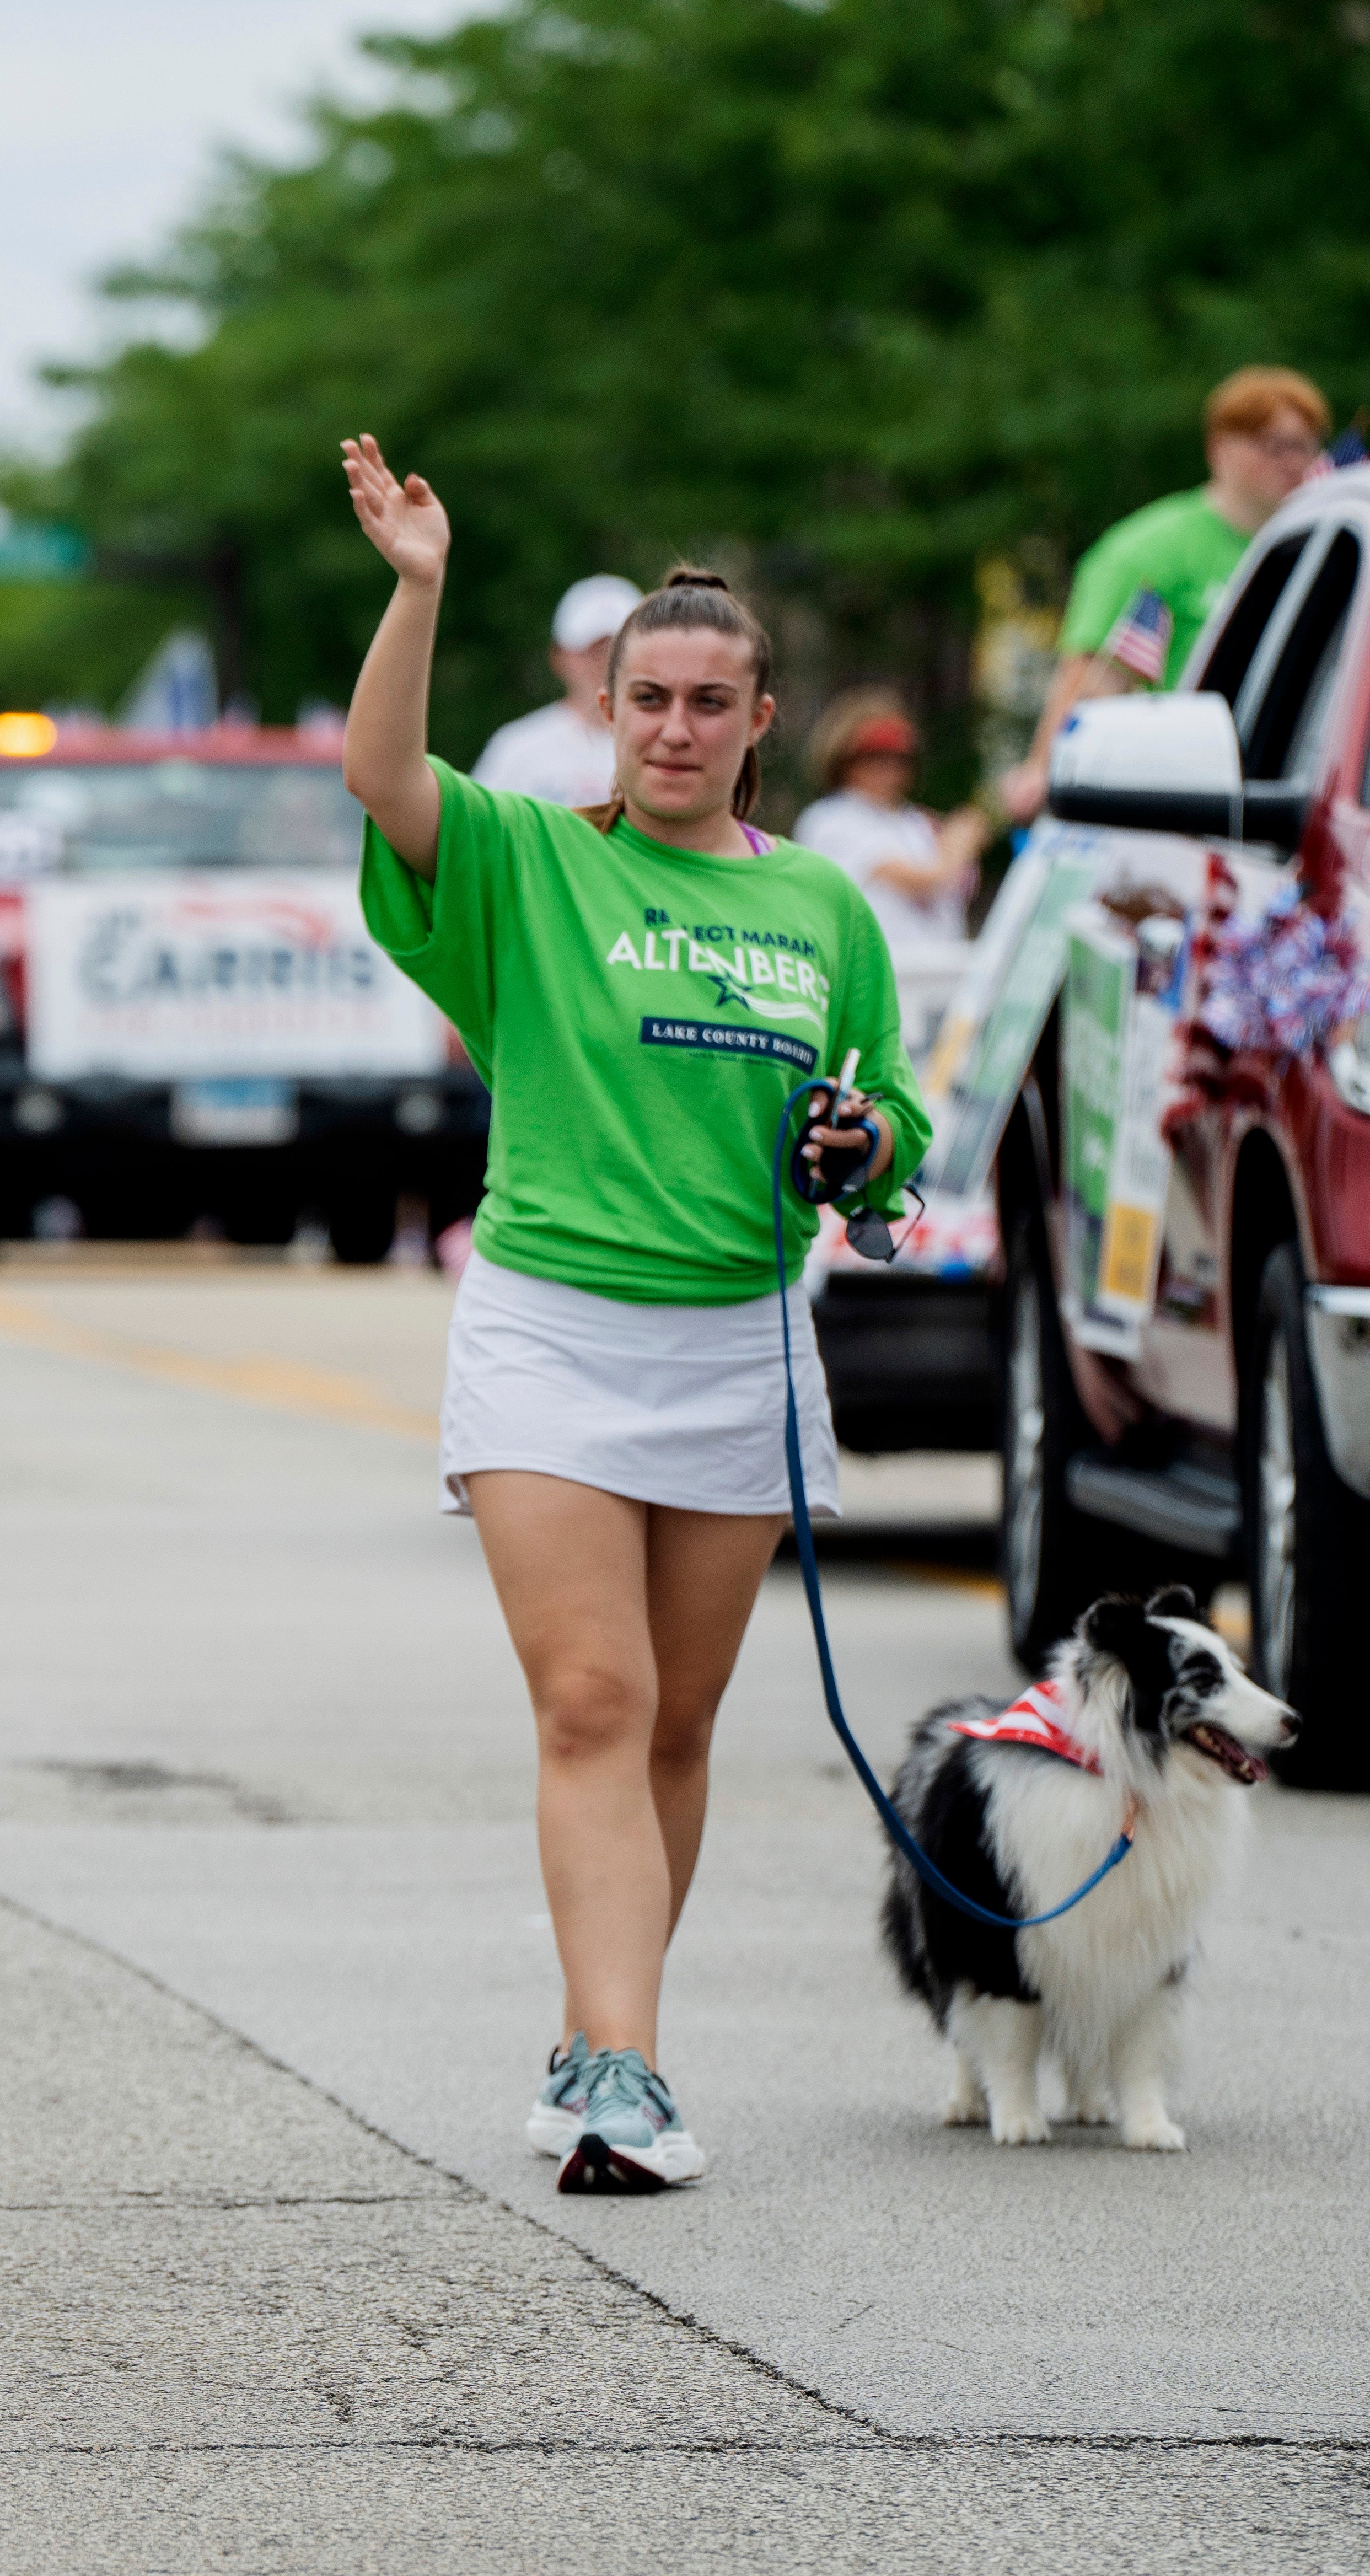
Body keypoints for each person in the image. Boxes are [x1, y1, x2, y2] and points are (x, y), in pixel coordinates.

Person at [336, 436, 927, 2195]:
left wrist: (862, 1146)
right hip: (548, 1333)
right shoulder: (526, 861)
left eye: (704, 702)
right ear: (602, 709)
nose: (669, 727)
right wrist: (418, 587)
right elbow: (381, 774)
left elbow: (887, 1120)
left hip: (734, 1347)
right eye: (641, 698)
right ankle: (621, 2064)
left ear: (759, 719)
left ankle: (602, 2023)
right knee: (591, 1699)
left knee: (674, 1725)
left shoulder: (820, 902)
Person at [999, 366, 1331, 822]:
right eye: (1274, 445)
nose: (1292, 462)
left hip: (1306, 785)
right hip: (1192, 799)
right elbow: (1094, 686)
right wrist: (1048, 771)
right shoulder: (1148, 552)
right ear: (1220, 449)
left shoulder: (1331, 549)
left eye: (1304, 445)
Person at [788, 694, 991, 1040]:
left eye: (900, 759)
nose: (891, 770)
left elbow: (959, 887)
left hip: (943, 983)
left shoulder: (912, 822)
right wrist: (962, 838)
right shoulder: (832, 820)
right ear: (845, 762)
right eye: (876, 759)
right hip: (880, 989)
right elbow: (926, 880)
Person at [469, 574, 644, 807]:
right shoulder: (516, 748)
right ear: (559, 656)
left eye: (617, 648)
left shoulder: (665, 747)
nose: (605, 662)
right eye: (591, 649)